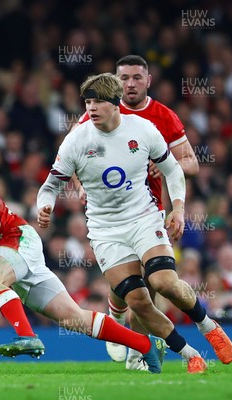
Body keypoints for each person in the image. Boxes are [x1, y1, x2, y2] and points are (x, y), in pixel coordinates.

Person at [0, 130, 167, 374]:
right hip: (8, 252)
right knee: (72, 318)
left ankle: (27, 336)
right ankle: (145, 345)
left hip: (15, 237)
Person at [37, 73, 232, 374]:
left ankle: (208, 326)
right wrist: (45, 206)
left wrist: (178, 209)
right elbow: (50, 185)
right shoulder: (77, 139)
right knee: (139, 302)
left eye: (99, 101)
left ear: (115, 104)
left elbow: (174, 171)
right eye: (88, 101)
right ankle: (191, 355)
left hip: (144, 218)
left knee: (163, 283)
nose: (91, 107)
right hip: (105, 230)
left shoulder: (143, 129)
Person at [78, 55, 200, 368]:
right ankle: (117, 314)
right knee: (127, 288)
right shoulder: (97, 113)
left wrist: (165, 164)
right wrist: (79, 184)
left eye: (136, 77)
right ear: (115, 82)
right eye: (124, 78)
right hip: (110, 215)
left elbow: (191, 163)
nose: (130, 84)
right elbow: (71, 156)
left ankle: (139, 352)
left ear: (148, 81)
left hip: (150, 211)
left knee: (155, 283)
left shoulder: (163, 116)